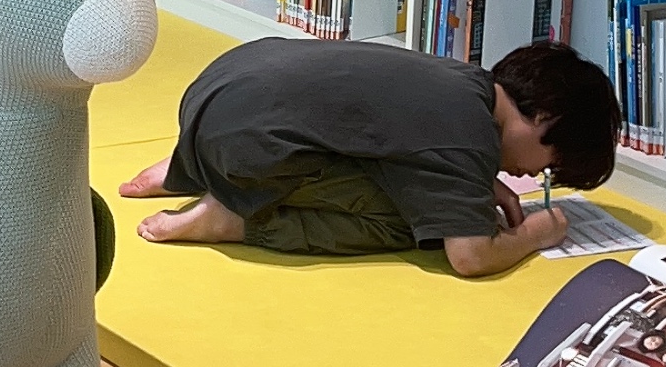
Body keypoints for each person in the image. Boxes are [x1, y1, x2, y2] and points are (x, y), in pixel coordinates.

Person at [121, 38, 620, 276]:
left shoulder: (462, 81)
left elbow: (392, 135)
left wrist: (475, 181)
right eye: (548, 164)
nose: (533, 174)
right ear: (545, 118)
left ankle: (188, 168)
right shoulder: (465, 135)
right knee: (417, 225)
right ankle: (234, 219)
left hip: (219, 91)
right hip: (247, 145)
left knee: (379, 160)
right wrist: (537, 233)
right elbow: (470, 257)